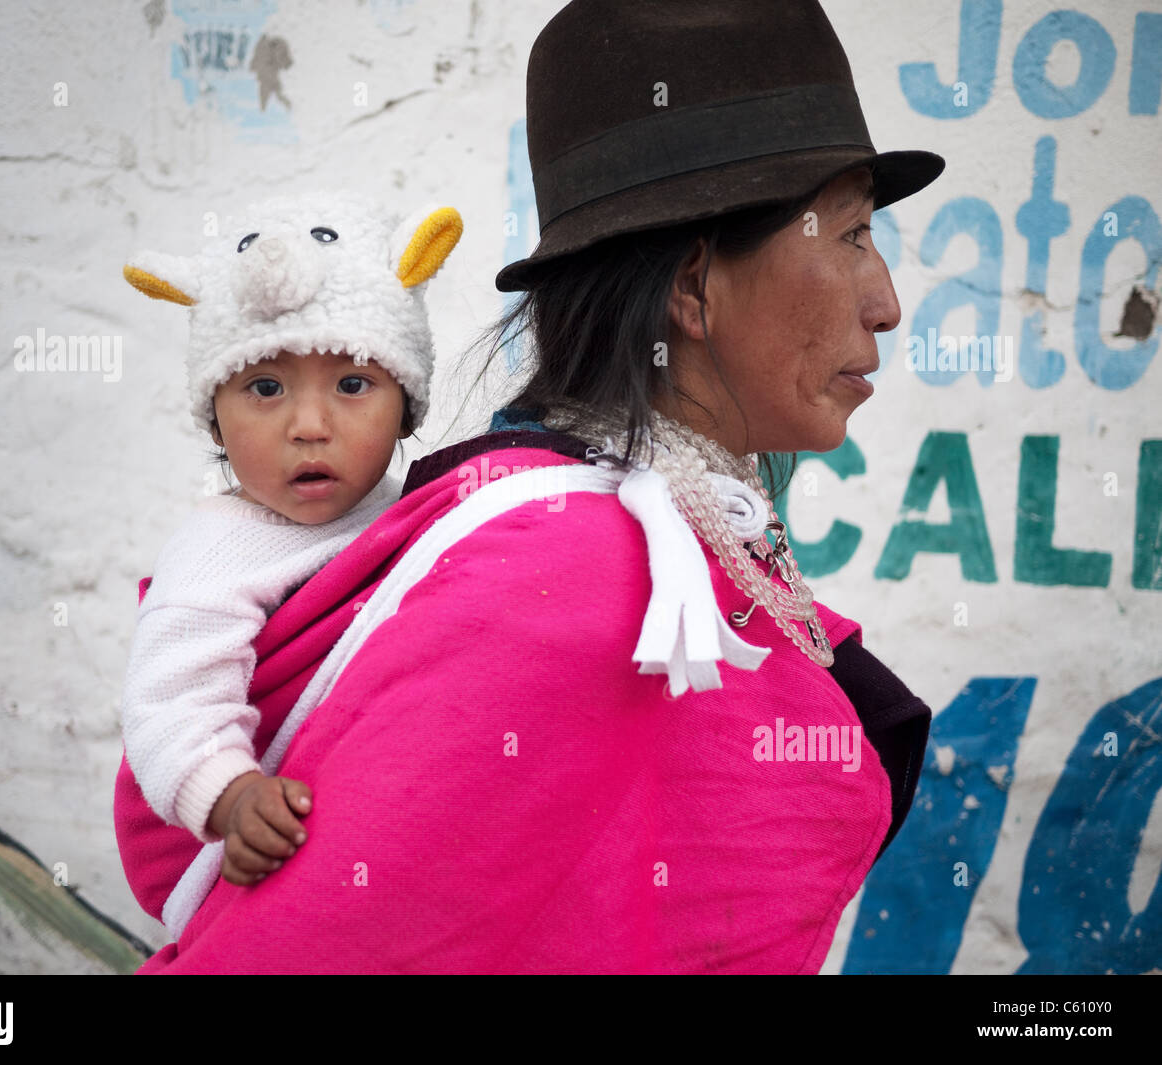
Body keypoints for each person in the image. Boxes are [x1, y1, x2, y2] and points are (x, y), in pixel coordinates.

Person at [113, 0, 938, 973]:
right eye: (847, 235)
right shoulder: (573, 568)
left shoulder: (651, 536)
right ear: (692, 285)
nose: (883, 301)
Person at [118, 192, 461, 890]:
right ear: (214, 420)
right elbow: (169, 700)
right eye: (266, 386)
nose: (309, 423)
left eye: (354, 382)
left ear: (407, 407)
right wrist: (233, 795)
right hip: (256, 852)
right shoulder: (217, 550)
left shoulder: (419, 514)